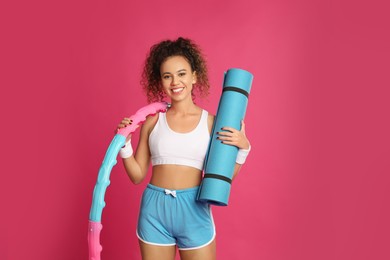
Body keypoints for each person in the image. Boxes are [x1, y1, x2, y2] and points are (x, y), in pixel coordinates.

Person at [117, 37, 251, 260]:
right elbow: (137, 175)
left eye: (181, 74)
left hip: (194, 209)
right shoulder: (152, 122)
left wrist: (243, 151)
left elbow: (221, 178)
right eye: (167, 76)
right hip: (154, 211)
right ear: (160, 81)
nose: (174, 82)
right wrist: (124, 144)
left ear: (194, 76)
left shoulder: (212, 123)